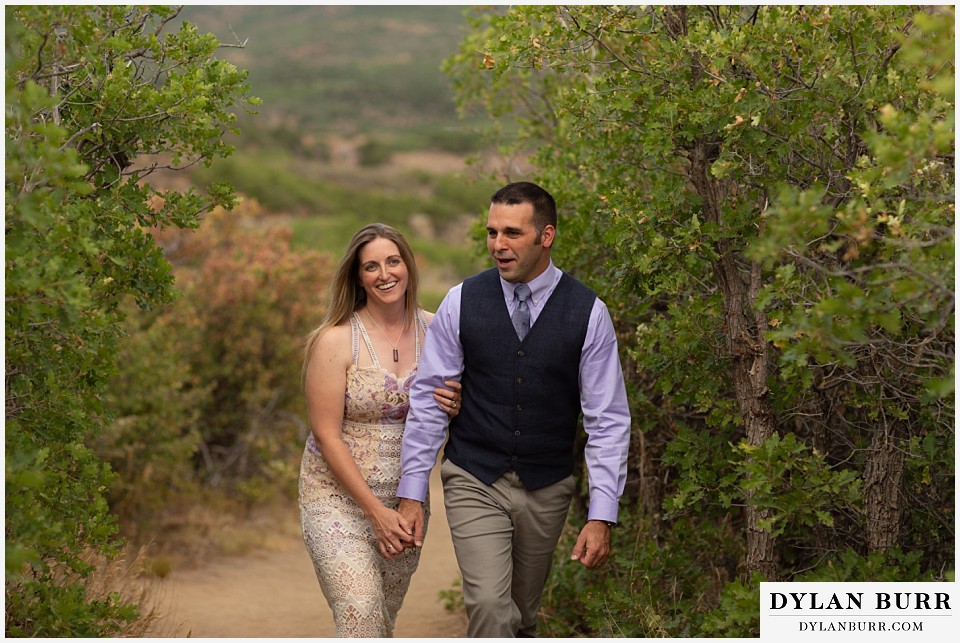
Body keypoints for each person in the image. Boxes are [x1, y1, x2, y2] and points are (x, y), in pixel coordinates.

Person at [397, 181, 631, 637]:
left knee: (521, 617)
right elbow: (429, 401)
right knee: (488, 605)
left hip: (547, 486)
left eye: (511, 234)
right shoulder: (461, 302)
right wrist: (413, 491)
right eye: (491, 233)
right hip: (474, 476)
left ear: (546, 236)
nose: (498, 246)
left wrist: (601, 514)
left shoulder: (589, 313)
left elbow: (608, 420)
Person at [298, 223, 463, 638]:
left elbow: (456, 406)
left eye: (393, 261)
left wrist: (458, 405)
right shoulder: (334, 341)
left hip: (406, 498)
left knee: (383, 617)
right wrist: (374, 512)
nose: (384, 273)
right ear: (357, 277)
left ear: (409, 265)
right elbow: (326, 434)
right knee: (361, 607)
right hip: (336, 497)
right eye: (371, 266)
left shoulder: (439, 330)